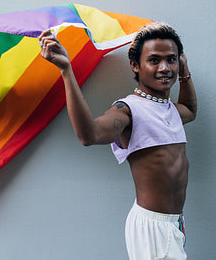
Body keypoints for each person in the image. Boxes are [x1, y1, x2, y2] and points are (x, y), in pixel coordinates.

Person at [39, 22, 197, 259]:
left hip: (174, 223)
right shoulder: (128, 110)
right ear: (135, 65)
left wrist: (184, 70)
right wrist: (66, 71)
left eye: (171, 60)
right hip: (151, 227)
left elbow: (190, 110)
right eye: (154, 60)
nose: (165, 67)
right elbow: (88, 135)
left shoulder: (171, 110)